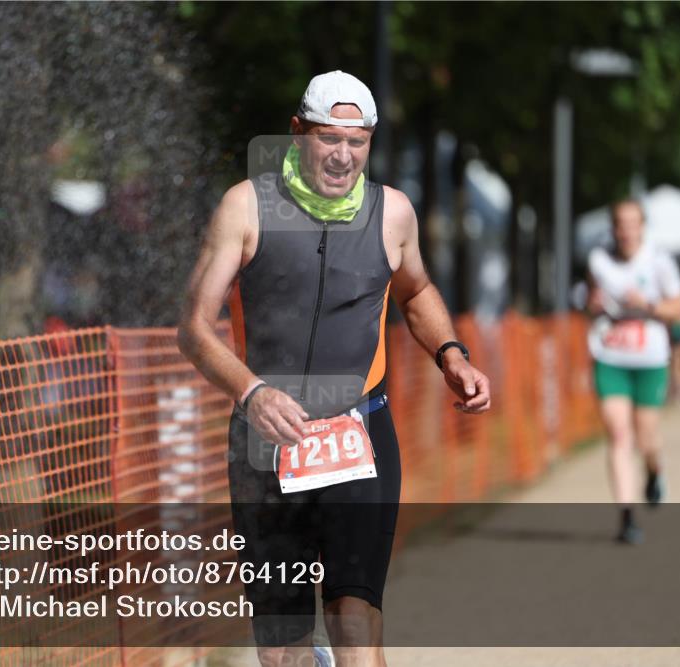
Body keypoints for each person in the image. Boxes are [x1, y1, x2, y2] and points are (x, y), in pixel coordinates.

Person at [178, 70, 491, 666]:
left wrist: (451, 354)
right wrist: (252, 394)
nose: (343, 156)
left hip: (359, 436)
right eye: (329, 138)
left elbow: (417, 290)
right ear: (298, 132)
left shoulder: (392, 213)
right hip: (264, 445)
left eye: (358, 141)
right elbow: (193, 327)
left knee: (353, 617)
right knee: (282, 651)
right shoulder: (247, 208)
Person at [586, 199, 680, 545]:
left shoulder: (659, 260)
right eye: (620, 224)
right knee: (618, 434)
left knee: (646, 438)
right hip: (610, 354)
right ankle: (627, 517)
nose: (626, 231)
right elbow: (589, 299)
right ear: (613, 228)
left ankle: (654, 472)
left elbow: (678, 309)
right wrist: (593, 303)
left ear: (642, 226)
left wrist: (646, 305)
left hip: (649, 356)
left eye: (632, 223)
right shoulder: (598, 259)